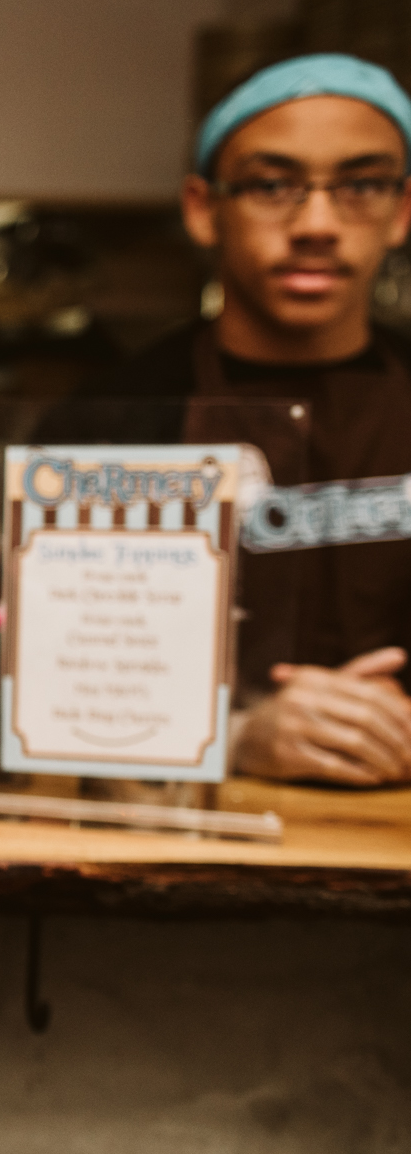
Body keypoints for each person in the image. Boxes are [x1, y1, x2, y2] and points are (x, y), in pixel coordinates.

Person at [78, 53, 411, 785]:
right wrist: (233, 734)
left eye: (360, 183)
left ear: (402, 208)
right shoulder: (111, 421)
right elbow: (42, 671)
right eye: (272, 185)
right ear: (203, 208)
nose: (319, 223)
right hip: (183, 836)